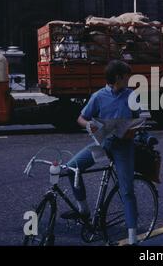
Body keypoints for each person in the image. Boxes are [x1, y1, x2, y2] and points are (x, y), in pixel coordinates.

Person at [63, 60, 140, 245]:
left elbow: (141, 119)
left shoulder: (132, 95)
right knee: (72, 167)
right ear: (118, 78)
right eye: (127, 76)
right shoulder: (98, 96)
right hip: (104, 145)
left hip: (124, 146)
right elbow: (81, 118)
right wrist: (88, 124)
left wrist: (133, 130)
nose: (129, 79)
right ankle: (83, 209)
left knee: (127, 190)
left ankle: (132, 236)